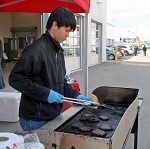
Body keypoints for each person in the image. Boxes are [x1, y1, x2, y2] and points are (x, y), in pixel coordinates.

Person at [9, 7, 93, 131]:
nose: (68, 35)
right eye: (66, 30)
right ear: (54, 25)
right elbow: (15, 79)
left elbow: (61, 83)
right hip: (35, 119)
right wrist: (46, 94)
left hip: (52, 114)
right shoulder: (35, 50)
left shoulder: (58, 51)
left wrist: (77, 96)